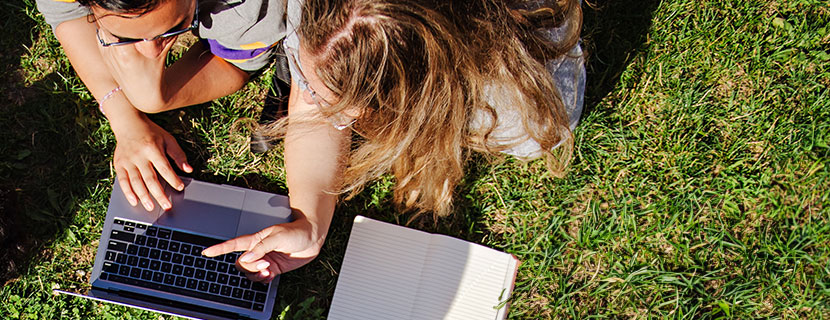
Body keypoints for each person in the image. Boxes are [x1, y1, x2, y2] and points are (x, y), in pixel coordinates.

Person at [203, 0, 585, 283]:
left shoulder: (525, 115)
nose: (312, 99)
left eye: (334, 101)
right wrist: (310, 221)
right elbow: (309, 108)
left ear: (407, 104)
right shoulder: (321, 18)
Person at [35, 0, 289, 212]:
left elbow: (238, 63)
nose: (147, 51)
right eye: (121, 35)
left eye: (171, 29)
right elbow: (65, 13)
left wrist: (155, 97)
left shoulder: (248, 11)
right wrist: (124, 117)